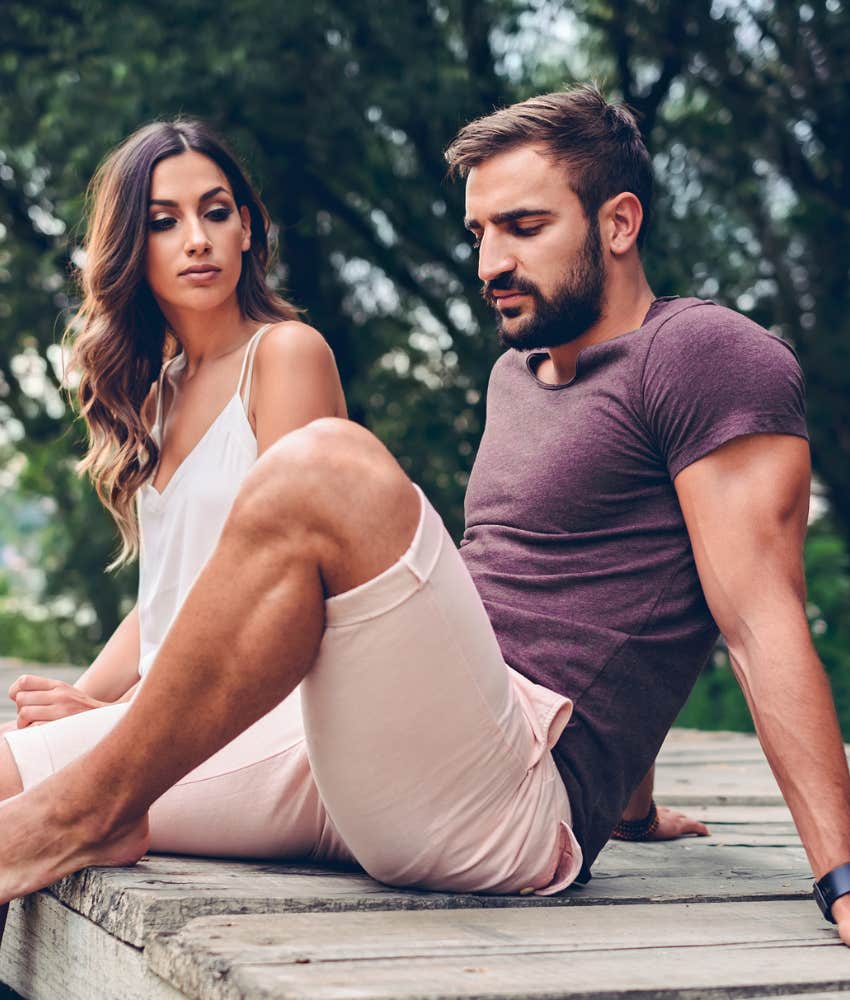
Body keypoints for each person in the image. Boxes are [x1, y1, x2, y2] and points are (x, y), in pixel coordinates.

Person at [2, 86, 850, 943]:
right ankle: (84, 805)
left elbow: (755, 619)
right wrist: (634, 803)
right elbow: (617, 596)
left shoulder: (707, 353)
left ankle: (87, 816)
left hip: (508, 795)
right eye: (480, 234)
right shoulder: (518, 376)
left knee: (325, 464)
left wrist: (841, 877)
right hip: (388, 750)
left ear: (619, 223)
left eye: (523, 227)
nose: (489, 264)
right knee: (10, 769)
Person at [0, 118, 352, 869]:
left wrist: (117, 718)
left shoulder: (285, 357)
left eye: (216, 212)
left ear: (248, 230)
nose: (197, 238)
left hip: (266, 732)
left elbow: (294, 601)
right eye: (164, 222)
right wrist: (78, 699)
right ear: (133, 247)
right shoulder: (158, 397)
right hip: (173, 732)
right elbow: (173, 593)